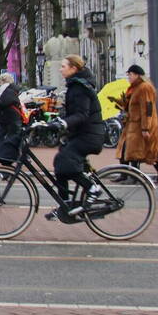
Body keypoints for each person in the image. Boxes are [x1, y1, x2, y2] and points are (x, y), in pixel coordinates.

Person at [47, 55, 104, 218]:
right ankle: (64, 207)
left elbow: (81, 114)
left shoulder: (80, 88)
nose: (60, 68)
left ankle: (92, 188)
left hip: (90, 136)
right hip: (81, 134)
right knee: (60, 165)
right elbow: (71, 112)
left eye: (63, 66)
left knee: (66, 161)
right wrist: (56, 122)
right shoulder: (74, 86)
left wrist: (64, 124)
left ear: (73, 69)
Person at [116, 65, 158, 184]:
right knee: (146, 152)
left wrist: (145, 127)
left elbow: (147, 108)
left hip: (140, 126)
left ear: (137, 75)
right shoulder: (135, 88)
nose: (128, 77)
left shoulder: (144, 88)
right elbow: (132, 106)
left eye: (130, 74)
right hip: (134, 125)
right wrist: (120, 102)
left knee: (139, 152)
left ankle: (135, 177)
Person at [0, 72, 22, 164]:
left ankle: (20, 156)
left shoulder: (9, 90)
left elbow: (3, 103)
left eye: (0, 82)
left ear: (3, 81)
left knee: (12, 138)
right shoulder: (8, 90)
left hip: (11, 119)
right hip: (6, 119)